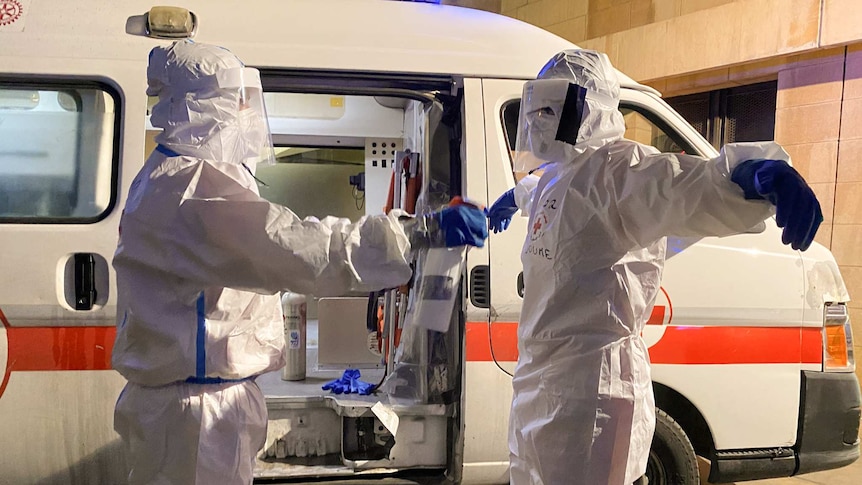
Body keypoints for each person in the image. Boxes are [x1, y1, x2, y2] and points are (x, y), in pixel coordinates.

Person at [111, 39, 487, 485]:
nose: (245, 114)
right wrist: (416, 233)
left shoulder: (173, 176)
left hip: (195, 410)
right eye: (236, 101)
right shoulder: (192, 191)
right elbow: (296, 248)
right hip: (197, 421)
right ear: (201, 107)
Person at [486, 49, 821, 485]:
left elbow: (689, 184)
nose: (540, 119)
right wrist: (515, 196)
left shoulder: (619, 170)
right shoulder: (558, 174)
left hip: (594, 392)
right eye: (539, 107)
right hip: (541, 382)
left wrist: (756, 174)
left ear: (587, 106)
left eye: (553, 107)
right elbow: (542, 191)